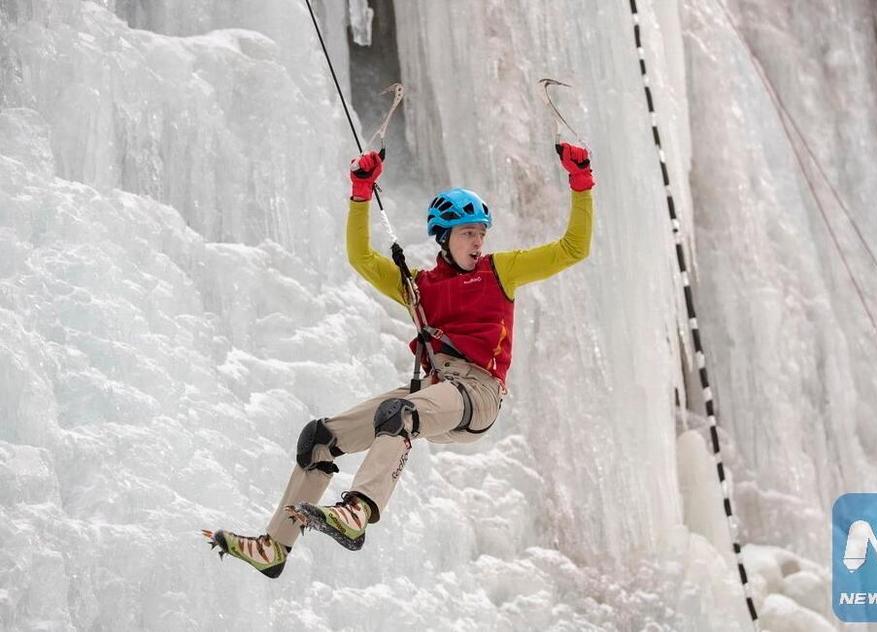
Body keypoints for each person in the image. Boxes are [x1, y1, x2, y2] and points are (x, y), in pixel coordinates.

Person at [203, 142, 595, 578]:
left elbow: (572, 248)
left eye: (481, 232)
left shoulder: (501, 271)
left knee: (399, 412)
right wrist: (359, 194)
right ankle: (275, 546)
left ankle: (358, 512)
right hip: (435, 391)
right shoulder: (419, 288)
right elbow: (361, 258)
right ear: (443, 237)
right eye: (468, 233)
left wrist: (581, 181)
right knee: (319, 437)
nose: (478, 241)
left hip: (479, 394)